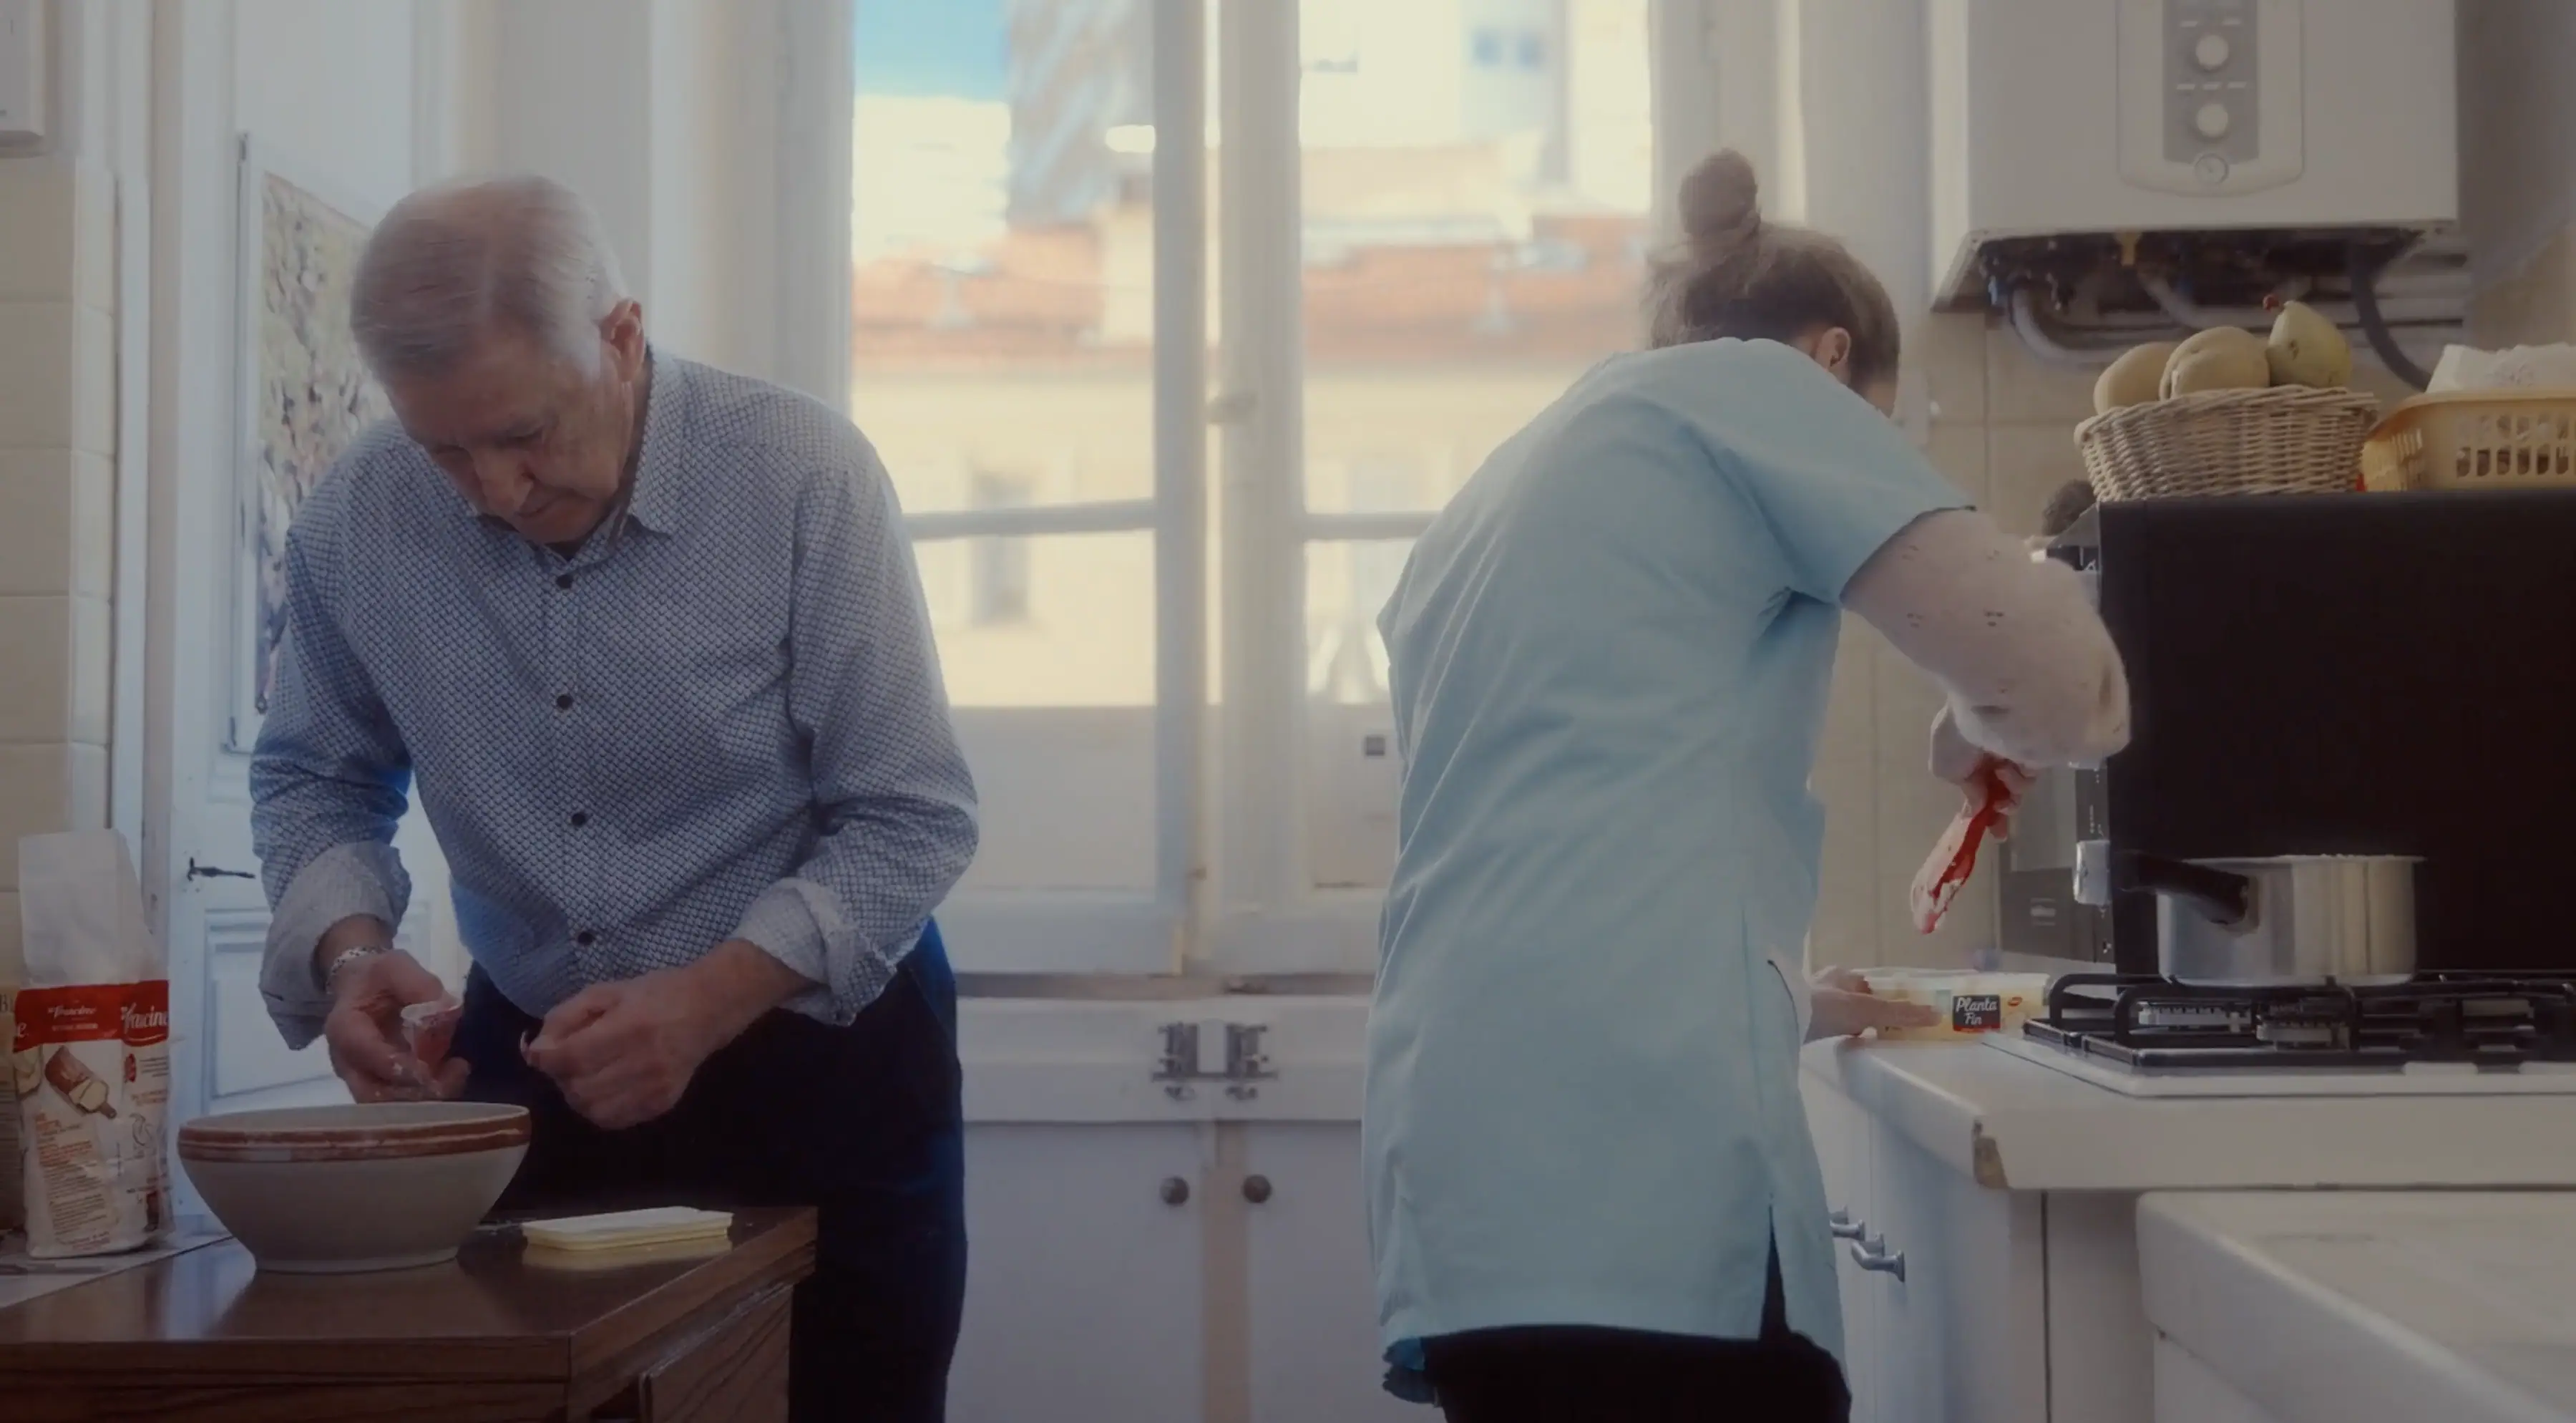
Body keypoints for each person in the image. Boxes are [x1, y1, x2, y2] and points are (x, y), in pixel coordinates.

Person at [1362, 150, 2130, 1423]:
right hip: (1637, 1168)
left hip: (1465, 1159)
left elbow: (1566, 834)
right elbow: (2064, 682)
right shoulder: (1758, 394)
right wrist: (1987, 728)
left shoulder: (1501, 489)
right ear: (1830, 363)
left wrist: (1791, 998)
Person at [248, 174, 977, 1423]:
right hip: (533, 1072)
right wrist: (350, 947)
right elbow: (317, 775)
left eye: (527, 432)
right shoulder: (358, 518)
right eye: (445, 447)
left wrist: (707, 999)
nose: (493, 488)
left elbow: (912, 815)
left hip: (823, 1060)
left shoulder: (803, 476)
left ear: (621, 337)